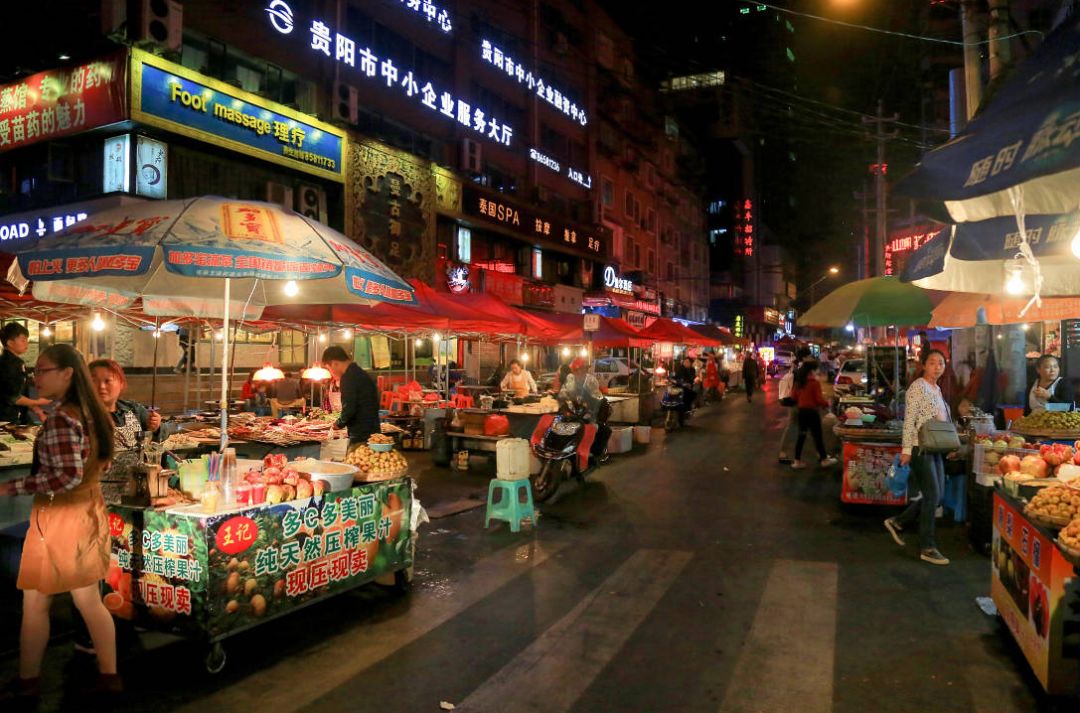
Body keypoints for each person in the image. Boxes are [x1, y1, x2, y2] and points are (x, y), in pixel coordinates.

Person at [0, 345, 120, 702]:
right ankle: (108, 677)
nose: (35, 377)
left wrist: (12, 486)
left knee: (37, 602)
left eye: (42, 370)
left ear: (66, 373)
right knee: (86, 601)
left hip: (59, 517)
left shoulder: (62, 419)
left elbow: (65, 477)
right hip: (85, 511)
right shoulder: (93, 413)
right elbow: (97, 466)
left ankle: (28, 681)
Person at [885, 349, 952, 566]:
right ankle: (927, 546)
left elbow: (941, 420)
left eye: (940, 363)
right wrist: (906, 450)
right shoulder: (918, 387)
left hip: (935, 447)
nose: (937, 366)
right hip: (918, 447)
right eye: (932, 363)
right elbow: (910, 419)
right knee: (932, 495)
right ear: (923, 365)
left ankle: (898, 521)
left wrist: (948, 443)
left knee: (938, 496)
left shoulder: (937, 389)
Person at [88, 359, 163, 450]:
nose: (101, 386)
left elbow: (158, 438)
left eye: (107, 381)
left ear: (121, 384)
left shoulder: (133, 409)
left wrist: (157, 427)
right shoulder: (82, 416)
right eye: (94, 381)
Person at [323, 346, 379, 447]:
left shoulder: (348, 378)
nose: (331, 372)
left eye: (329, 368)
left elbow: (349, 407)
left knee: (358, 461)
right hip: (373, 430)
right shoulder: (361, 373)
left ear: (335, 363)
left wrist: (338, 423)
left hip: (360, 435)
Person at [559, 357, 610, 461]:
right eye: (577, 369)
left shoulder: (591, 380)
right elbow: (563, 393)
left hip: (588, 412)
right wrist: (563, 399)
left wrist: (590, 406)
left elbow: (597, 397)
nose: (580, 371)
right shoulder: (570, 378)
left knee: (602, 429)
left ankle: (594, 453)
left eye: (583, 369)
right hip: (573, 411)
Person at [0, 323, 50, 425]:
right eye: (23, 340)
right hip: (6, 419)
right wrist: (37, 402)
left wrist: (38, 410)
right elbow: (13, 397)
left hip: (15, 416)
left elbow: (21, 393)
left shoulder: (16, 362)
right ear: (10, 343)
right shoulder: (8, 363)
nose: (27, 343)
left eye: (27, 340)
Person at [791, 361, 838, 470]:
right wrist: (827, 404)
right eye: (815, 369)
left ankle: (797, 461)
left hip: (802, 412)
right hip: (812, 413)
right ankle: (824, 459)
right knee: (817, 436)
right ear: (811, 371)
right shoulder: (814, 383)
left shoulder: (799, 383)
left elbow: (793, 397)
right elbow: (819, 399)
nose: (817, 371)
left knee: (801, 436)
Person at [778, 347, 812, 464]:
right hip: (797, 402)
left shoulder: (797, 367)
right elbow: (801, 387)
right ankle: (790, 455)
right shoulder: (800, 369)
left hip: (797, 402)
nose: (811, 358)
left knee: (796, 427)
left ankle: (789, 454)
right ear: (804, 357)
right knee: (796, 427)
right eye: (809, 356)